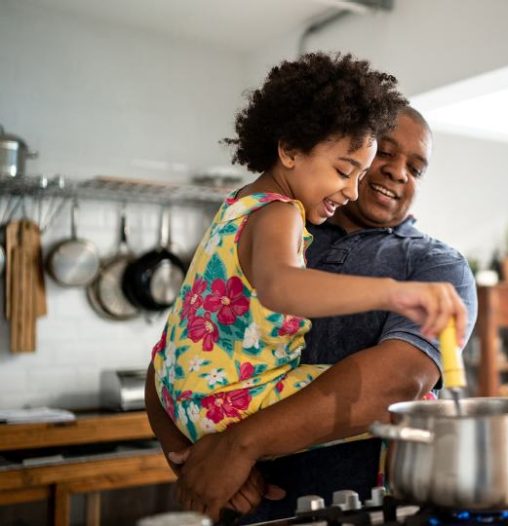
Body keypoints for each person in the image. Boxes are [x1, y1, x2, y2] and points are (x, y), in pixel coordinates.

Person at [145, 54, 469, 520]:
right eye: (348, 169)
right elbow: (282, 287)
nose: (356, 188)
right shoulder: (282, 216)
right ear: (291, 150)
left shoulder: (239, 207)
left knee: (407, 391)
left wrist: (230, 448)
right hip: (223, 420)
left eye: (416, 168)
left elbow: (174, 349)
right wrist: (393, 292)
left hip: (195, 401)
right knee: (420, 405)